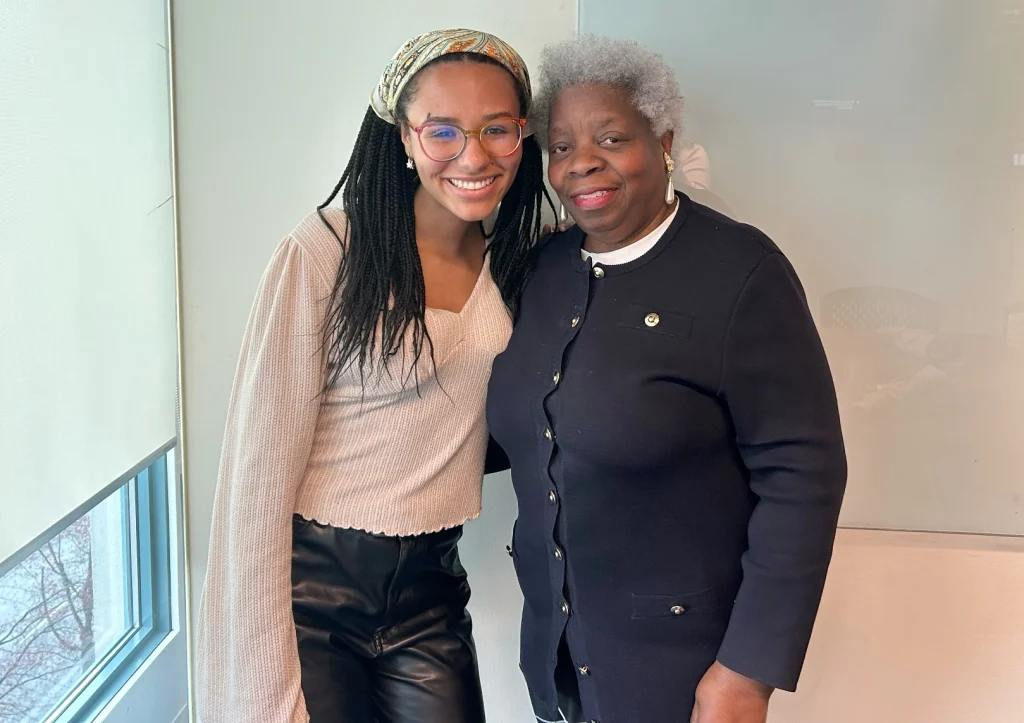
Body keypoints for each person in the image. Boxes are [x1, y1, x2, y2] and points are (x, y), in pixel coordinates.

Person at [486, 35, 847, 723]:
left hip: (684, 672)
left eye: (612, 137)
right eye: (561, 146)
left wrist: (749, 670)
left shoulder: (740, 270)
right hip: (556, 660)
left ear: (664, 142)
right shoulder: (540, 269)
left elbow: (804, 472)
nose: (581, 162)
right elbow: (516, 434)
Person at [196, 29, 551, 723]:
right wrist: (261, 673)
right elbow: (257, 472)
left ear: (522, 134)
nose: (473, 155)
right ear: (402, 134)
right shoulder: (328, 250)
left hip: (431, 591)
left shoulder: (521, 261)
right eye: (443, 130)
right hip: (312, 597)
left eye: (496, 130)